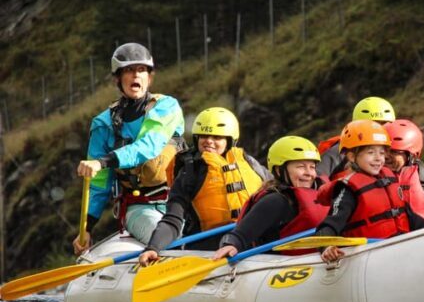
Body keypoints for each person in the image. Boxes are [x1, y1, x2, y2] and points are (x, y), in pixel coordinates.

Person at [73, 42, 185, 255]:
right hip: (139, 207)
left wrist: (103, 161)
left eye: (141, 70)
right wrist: (86, 228)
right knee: (167, 239)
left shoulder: (167, 107)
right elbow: (99, 184)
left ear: (149, 78)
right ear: (118, 78)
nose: (136, 75)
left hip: (180, 201)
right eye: (129, 70)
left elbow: (149, 145)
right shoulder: (103, 124)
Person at [138, 107, 268, 266]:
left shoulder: (250, 164)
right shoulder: (189, 173)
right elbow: (172, 220)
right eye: (204, 136)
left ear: (230, 141)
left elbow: (275, 196)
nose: (208, 141)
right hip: (208, 247)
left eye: (217, 137)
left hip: (251, 241)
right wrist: (153, 247)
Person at [212, 136, 329, 260]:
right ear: (279, 170)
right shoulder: (275, 201)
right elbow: (240, 235)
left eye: (312, 167)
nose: (309, 173)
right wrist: (231, 244)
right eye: (301, 167)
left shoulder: (323, 194)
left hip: (320, 261)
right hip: (282, 265)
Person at [316, 120, 410, 263]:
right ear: (352, 156)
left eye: (381, 152)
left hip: (400, 248)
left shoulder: (390, 176)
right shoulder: (348, 189)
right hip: (369, 258)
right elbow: (328, 226)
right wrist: (326, 247)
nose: (378, 158)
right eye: (370, 152)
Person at [317, 96, 395, 178]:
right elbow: (318, 178)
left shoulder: (397, 149)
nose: (378, 128)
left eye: (384, 124)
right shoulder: (341, 150)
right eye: (372, 123)